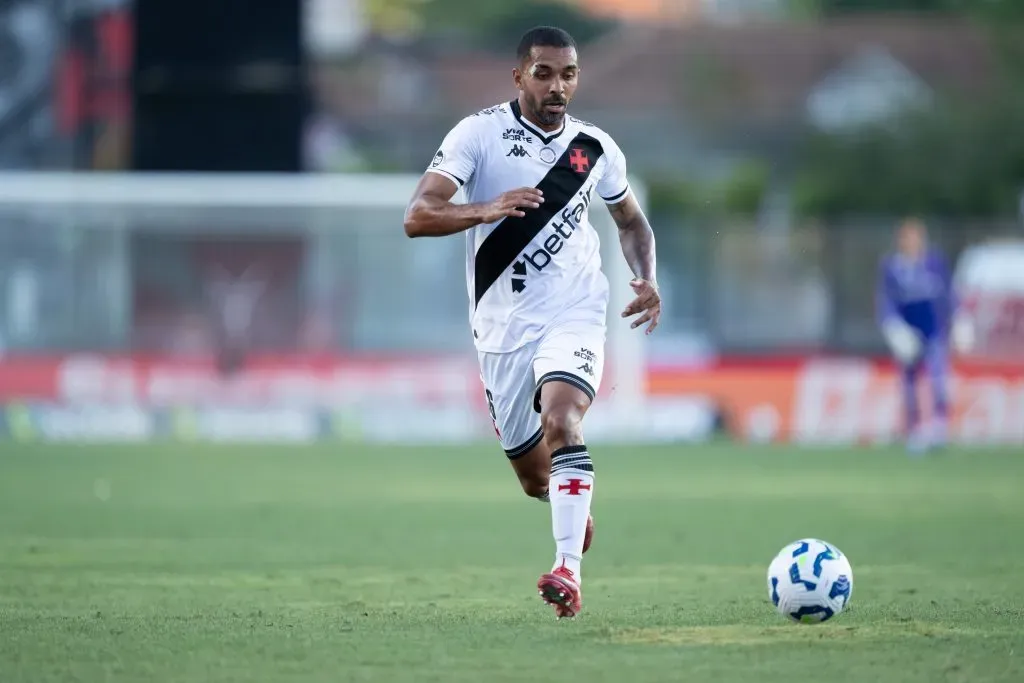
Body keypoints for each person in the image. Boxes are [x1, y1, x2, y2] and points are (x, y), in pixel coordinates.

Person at [403, 26, 661, 618]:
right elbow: (418, 215)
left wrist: (647, 277)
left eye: (567, 74)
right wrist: (485, 207)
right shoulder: (478, 134)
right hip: (500, 330)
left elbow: (631, 222)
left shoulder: (593, 149)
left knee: (563, 420)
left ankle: (567, 569)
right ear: (519, 76)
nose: (556, 85)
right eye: (543, 73)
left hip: (574, 311)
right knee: (536, 480)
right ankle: (572, 502)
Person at [876, 218, 969, 453]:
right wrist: (893, 328)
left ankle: (939, 428)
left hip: (933, 330)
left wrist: (959, 319)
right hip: (908, 332)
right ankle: (914, 431)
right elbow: (886, 302)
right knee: (909, 386)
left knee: (938, 380)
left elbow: (949, 293)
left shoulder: (934, 262)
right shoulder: (892, 266)